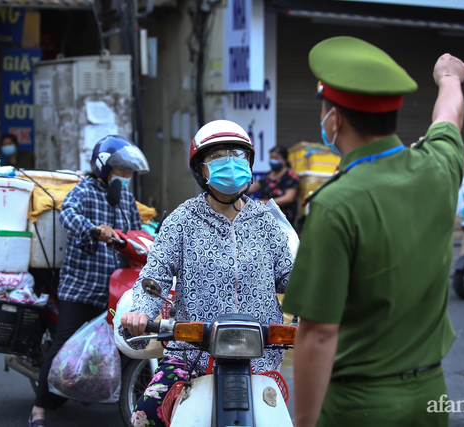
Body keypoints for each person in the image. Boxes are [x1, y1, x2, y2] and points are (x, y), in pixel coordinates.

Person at [281, 36, 464, 427]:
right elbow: (449, 116)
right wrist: (449, 77)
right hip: (430, 398)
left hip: (359, 405)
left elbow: (317, 334)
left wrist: (302, 423)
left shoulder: (335, 203)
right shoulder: (439, 165)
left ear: (336, 119)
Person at [120, 119, 294, 427]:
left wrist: (320, 310)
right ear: (201, 169)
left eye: (237, 154)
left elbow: (292, 279)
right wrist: (140, 313)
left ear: (250, 163)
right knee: (144, 417)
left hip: (261, 356)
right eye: (218, 155)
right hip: (191, 355)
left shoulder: (266, 221)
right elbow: (155, 275)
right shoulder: (182, 220)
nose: (230, 161)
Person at [29, 135, 148, 427]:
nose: (127, 178)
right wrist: (94, 229)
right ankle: (38, 409)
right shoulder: (85, 190)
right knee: (62, 344)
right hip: (81, 287)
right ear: (105, 168)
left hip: (116, 289)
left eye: (130, 173)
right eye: (123, 172)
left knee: (122, 344)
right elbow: (67, 214)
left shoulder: (126, 200)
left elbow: (135, 233)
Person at [247, 146, 300, 224]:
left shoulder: (290, 177)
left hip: (283, 220)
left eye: (276, 158)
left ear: (284, 161)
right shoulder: (268, 175)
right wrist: (236, 191)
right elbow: (254, 186)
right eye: (271, 157)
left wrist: (266, 202)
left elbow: (289, 198)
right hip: (266, 218)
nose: (273, 160)